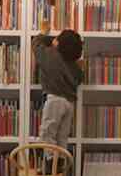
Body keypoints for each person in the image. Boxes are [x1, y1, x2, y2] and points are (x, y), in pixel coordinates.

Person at [32, 19, 83, 154]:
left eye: (56, 39)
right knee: (62, 136)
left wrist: (43, 33)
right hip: (69, 103)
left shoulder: (51, 56)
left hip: (55, 100)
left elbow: (36, 47)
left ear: (58, 45)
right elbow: (80, 78)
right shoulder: (74, 66)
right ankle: (59, 163)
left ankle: (49, 164)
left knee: (47, 133)